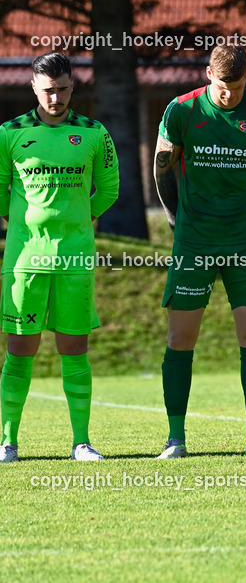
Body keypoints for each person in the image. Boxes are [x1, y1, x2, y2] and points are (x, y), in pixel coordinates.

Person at [153, 46, 246, 458]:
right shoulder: (181, 110)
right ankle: (175, 440)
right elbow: (162, 166)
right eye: (222, 86)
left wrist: (242, 207)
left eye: (238, 86)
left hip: (245, 241)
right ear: (208, 73)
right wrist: (177, 217)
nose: (228, 95)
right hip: (194, 242)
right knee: (181, 339)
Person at [0, 52, 119, 463]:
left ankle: (81, 443)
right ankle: (8, 442)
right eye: (48, 90)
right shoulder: (9, 133)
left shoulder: (93, 133)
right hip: (25, 261)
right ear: (33, 87)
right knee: (19, 349)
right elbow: (0, 190)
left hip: (74, 260)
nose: (55, 98)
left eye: (63, 89)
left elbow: (108, 189)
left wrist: (75, 220)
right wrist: (23, 225)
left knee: (74, 348)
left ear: (73, 87)